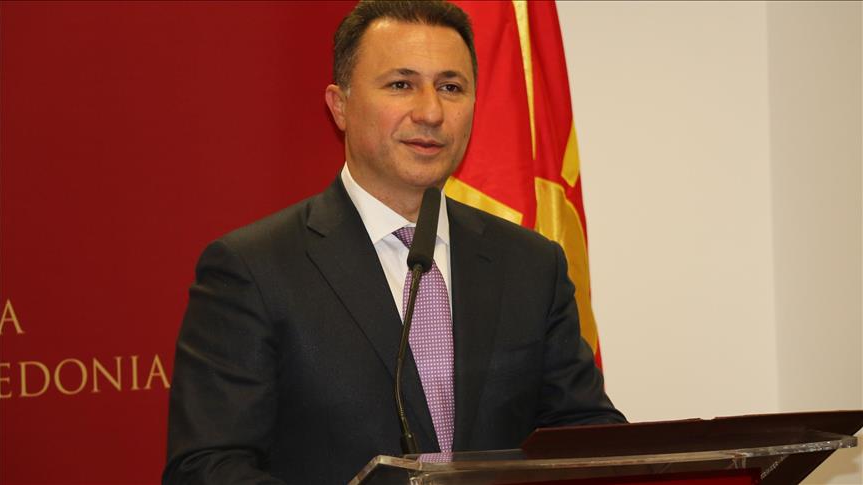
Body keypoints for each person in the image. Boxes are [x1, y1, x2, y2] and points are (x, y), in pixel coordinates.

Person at [163, 1, 625, 484]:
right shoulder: (253, 269)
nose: (430, 112)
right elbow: (206, 468)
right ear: (339, 105)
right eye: (401, 85)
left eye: (451, 87)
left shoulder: (532, 264)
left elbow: (585, 435)